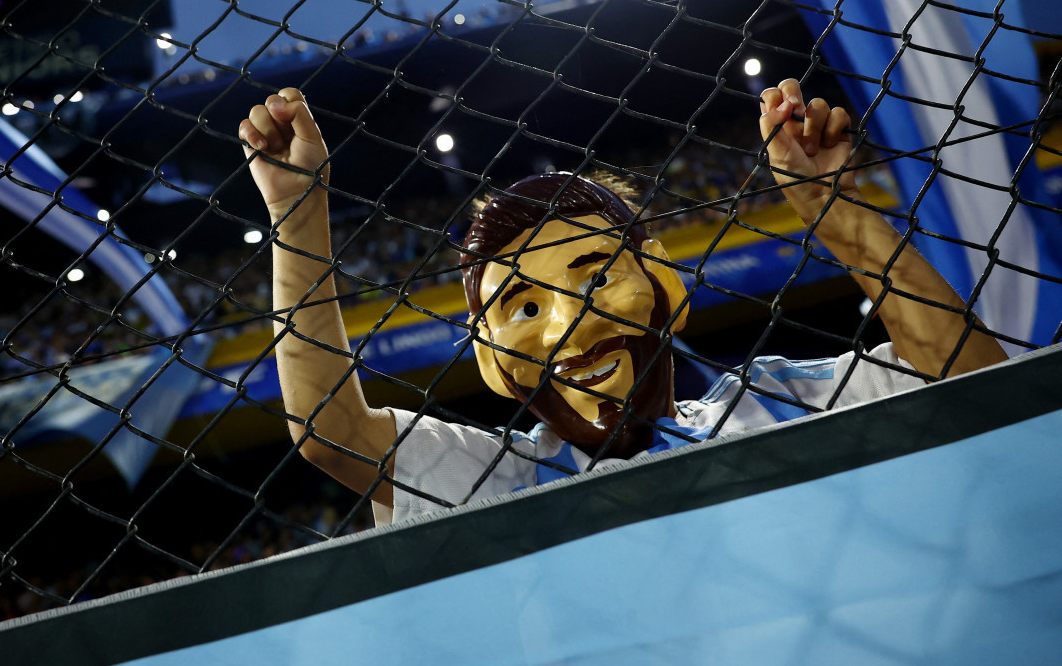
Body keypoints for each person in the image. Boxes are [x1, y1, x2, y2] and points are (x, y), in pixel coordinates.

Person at [239, 81, 1007, 524]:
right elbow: (329, 432)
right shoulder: (491, 480)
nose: (574, 323)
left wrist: (839, 220)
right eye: (524, 307)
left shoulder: (777, 399)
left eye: (597, 275)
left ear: (664, 280)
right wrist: (298, 216)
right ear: (488, 357)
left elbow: (976, 382)